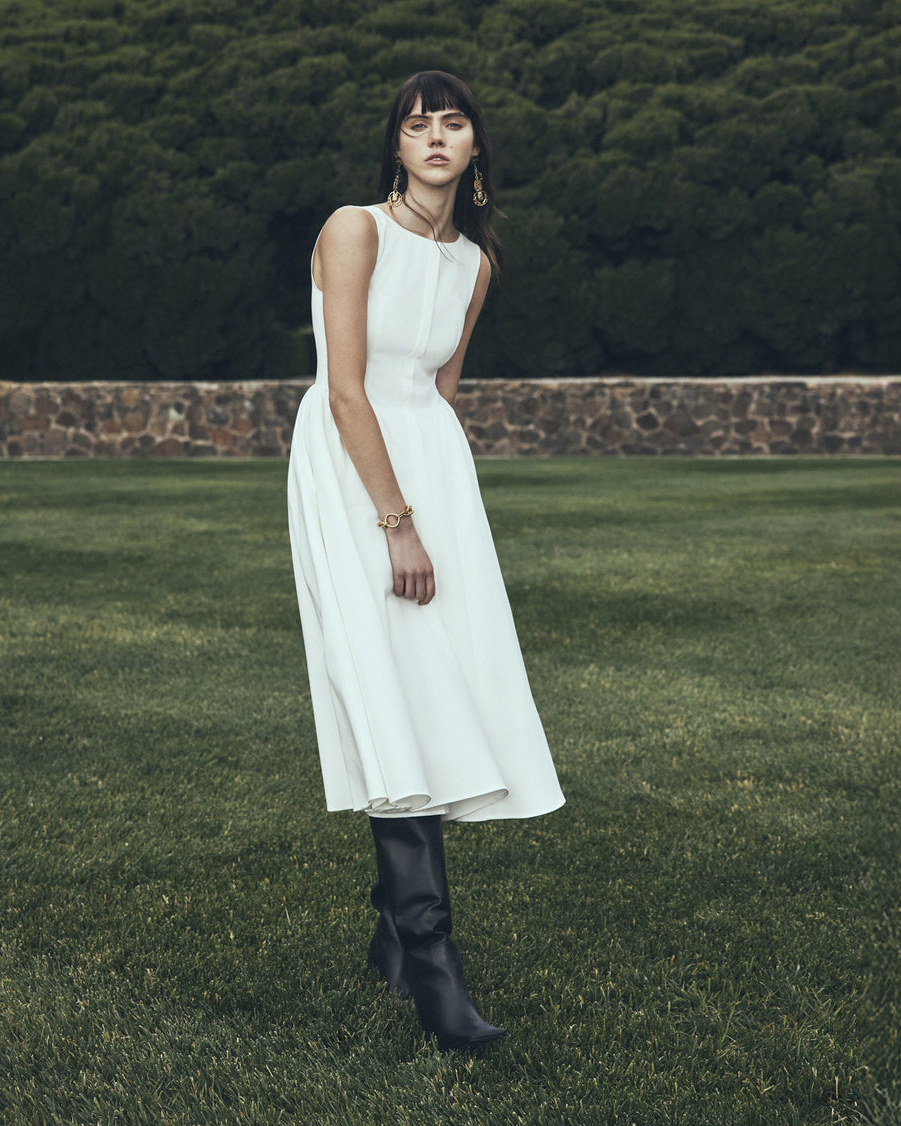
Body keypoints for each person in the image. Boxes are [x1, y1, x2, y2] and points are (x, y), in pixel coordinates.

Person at [287, 71, 565, 1051]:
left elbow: (437, 391)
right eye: (417, 125)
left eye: (453, 123)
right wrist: (395, 521)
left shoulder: (475, 264)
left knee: (443, 683)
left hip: (433, 465)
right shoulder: (352, 230)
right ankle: (434, 968)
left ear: (476, 148)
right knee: (392, 686)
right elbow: (349, 390)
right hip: (353, 468)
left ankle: (389, 938)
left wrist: (440, 505)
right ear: (395, 148)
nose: (435, 137)